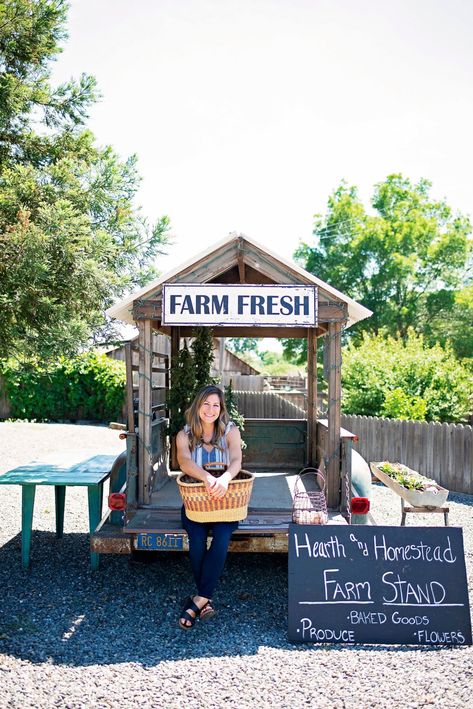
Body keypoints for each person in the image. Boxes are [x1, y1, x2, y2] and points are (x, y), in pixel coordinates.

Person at [176, 384, 242, 629]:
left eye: (216, 405)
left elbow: (236, 459)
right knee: (196, 542)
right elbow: (184, 462)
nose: (210, 409)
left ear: (221, 408)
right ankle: (204, 601)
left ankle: (198, 600)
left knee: (222, 537)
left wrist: (224, 478)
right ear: (197, 406)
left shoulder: (230, 431)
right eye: (206, 404)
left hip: (226, 501)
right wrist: (207, 477)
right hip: (196, 501)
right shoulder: (184, 434)